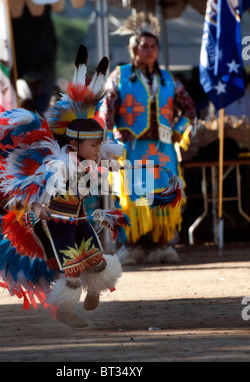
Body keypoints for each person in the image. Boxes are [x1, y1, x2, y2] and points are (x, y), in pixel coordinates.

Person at [0, 46, 126, 329]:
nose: (98, 149)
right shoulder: (57, 163)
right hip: (54, 222)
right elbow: (29, 188)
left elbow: (109, 156)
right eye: (94, 144)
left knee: (97, 259)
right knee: (72, 270)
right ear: (76, 145)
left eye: (99, 144)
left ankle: (95, 289)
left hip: (78, 218)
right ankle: (64, 310)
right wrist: (37, 205)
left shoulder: (91, 155)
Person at [101, 13, 196, 264]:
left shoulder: (168, 80)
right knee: (135, 196)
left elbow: (189, 108)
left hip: (164, 149)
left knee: (163, 194)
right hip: (132, 148)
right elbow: (106, 112)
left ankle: (161, 244)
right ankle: (132, 245)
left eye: (153, 46)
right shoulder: (119, 77)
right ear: (134, 49)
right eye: (144, 46)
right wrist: (108, 143)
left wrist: (180, 128)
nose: (149, 50)